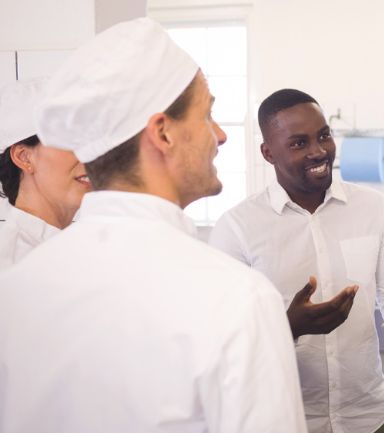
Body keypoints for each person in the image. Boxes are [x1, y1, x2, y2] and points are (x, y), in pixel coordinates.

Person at [0, 18, 306, 433]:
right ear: (162, 133)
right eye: (207, 114)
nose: (220, 135)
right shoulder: (236, 299)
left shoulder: (18, 288)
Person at [209, 88, 384, 433]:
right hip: (284, 423)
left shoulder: (373, 209)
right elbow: (222, 344)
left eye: (323, 135)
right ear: (268, 153)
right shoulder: (237, 228)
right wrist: (289, 327)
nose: (319, 151)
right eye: (298, 143)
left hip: (368, 419)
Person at [0, 78, 91, 269]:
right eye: (71, 141)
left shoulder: (79, 246)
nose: (90, 154)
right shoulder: (10, 263)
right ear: (24, 157)